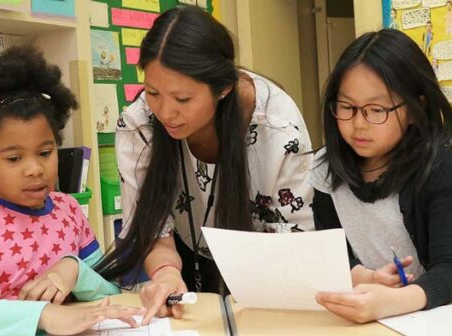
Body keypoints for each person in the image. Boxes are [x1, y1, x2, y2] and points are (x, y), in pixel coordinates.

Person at [94, 5, 313, 325]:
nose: (166, 112)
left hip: (268, 269)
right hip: (187, 260)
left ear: (223, 88)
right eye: (153, 92)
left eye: (183, 99)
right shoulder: (139, 123)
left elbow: (295, 238)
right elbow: (156, 229)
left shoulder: (278, 128)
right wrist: (166, 274)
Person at [0, 45, 142, 335]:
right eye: (14, 158)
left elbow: (110, 292)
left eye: (45, 153)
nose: (35, 169)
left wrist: (74, 269)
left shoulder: (68, 211)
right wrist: (42, 315)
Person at [310, 29, 452, 324]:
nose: (358, 124)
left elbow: (451, 269)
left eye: (376, 110)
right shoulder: (325, 169)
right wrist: (366, 277)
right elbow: (332, 257)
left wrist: (393, 301)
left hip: (446, 312)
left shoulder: (440, 169)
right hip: (372, 317)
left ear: (415, 109)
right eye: (347, 107)